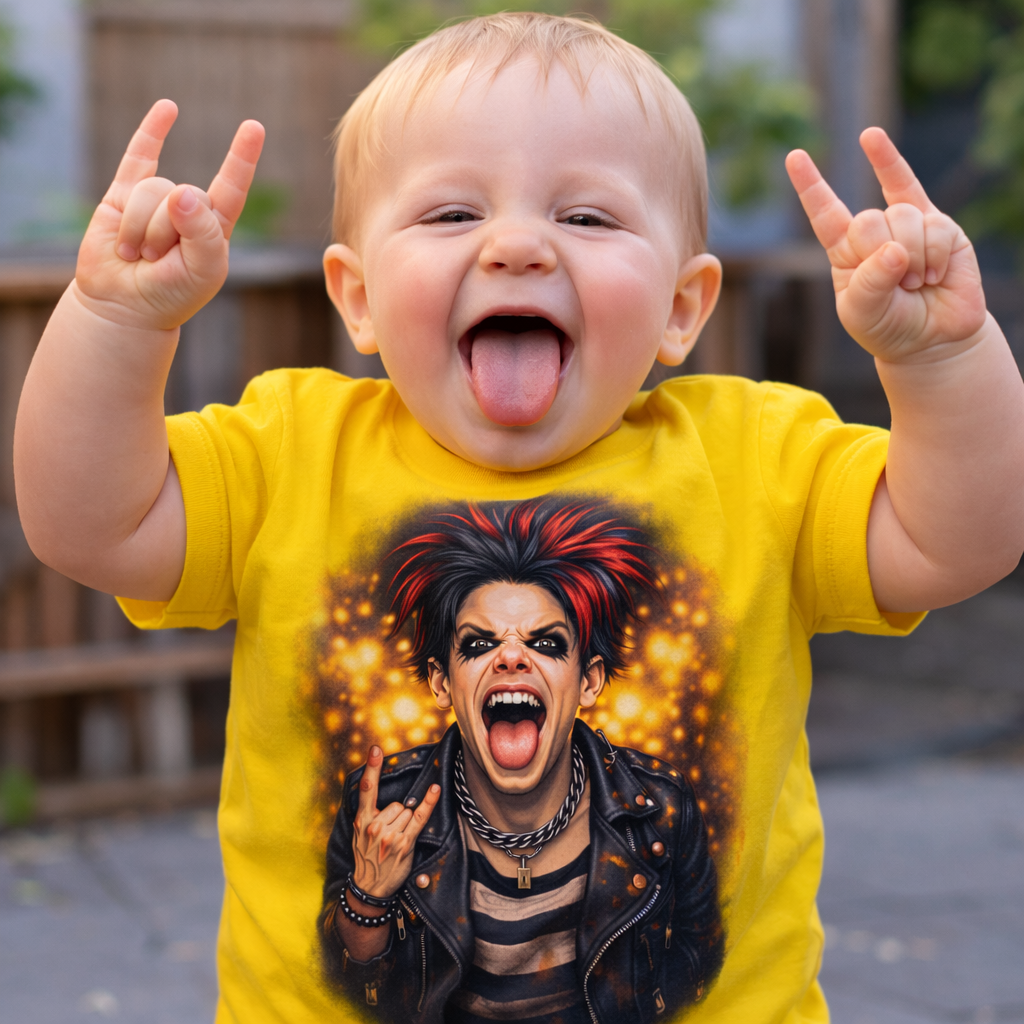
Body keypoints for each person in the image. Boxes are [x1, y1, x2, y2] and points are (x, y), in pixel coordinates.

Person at [13, 12, 1024, 1024]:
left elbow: (958, 538)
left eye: (586, 219)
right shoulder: (287, 454)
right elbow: (88, 523)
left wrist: (940, 361)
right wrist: (116, 321)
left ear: (682, 306)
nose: (516, 246)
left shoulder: (758, 460)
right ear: (356, 297)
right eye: (451, 215)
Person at [319, 500, 723, 1023]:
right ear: (443, 683)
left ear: (589, 681)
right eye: (481, 642)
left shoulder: (660, 811)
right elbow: (342, 988)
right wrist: (367, 895)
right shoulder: (382, 807)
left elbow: (699, 965)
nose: (511, 657)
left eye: (547, 643)